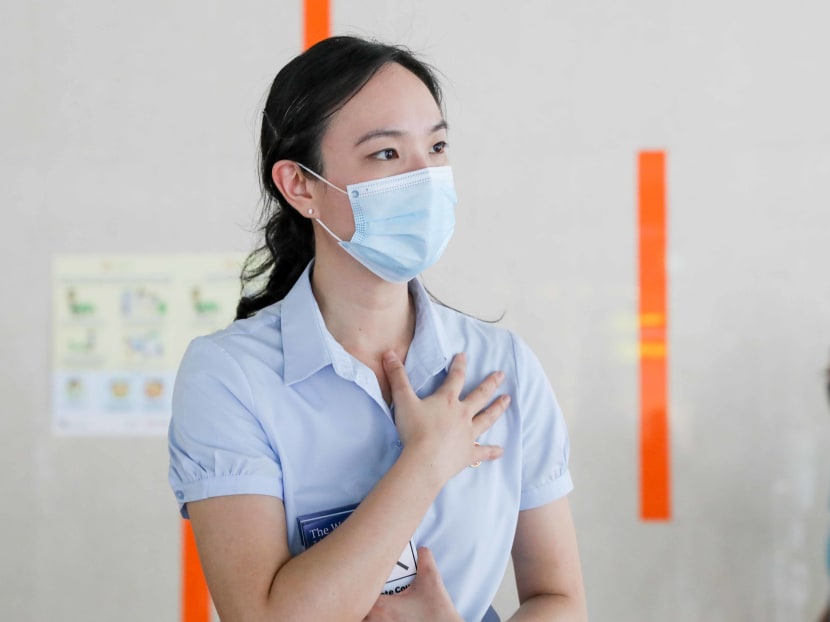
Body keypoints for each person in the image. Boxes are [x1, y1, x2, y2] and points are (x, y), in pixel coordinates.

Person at [168, 35, 587, 622]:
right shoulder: (229, 376)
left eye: (437, 146)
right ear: (300, 185)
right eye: (387, 154)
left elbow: (559, 598)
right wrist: (426, 461)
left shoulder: (501, 364)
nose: (426, 176)